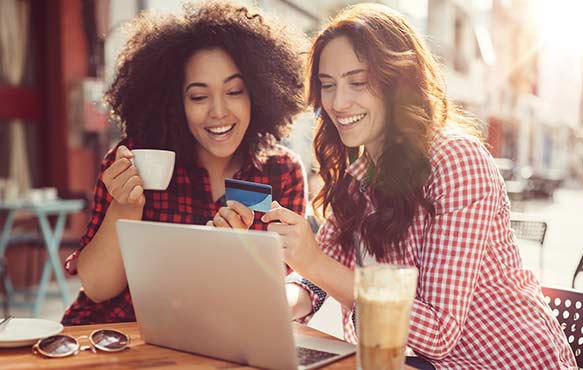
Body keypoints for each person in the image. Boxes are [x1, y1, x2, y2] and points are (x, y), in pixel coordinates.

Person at [262, 3, 577, 369]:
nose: (338, 101)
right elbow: (323, 271)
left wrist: (314, 262)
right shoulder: (359, 178)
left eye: (358, 82)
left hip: (507, 361)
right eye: (328, 85)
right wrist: (281, 301)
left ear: (398, 82)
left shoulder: (457, 159)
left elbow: (439, 333)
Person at [61, 1, 307, 326]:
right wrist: (125, 207)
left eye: (234, 91)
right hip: (116, 338)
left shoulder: (281, 172)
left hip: (218, 339)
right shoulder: (138, 160)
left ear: (259, 95)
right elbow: (96, 288)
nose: (218, 112)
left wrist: (237, 256)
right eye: (199, 96)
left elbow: (273, 295)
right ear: (175, 103)